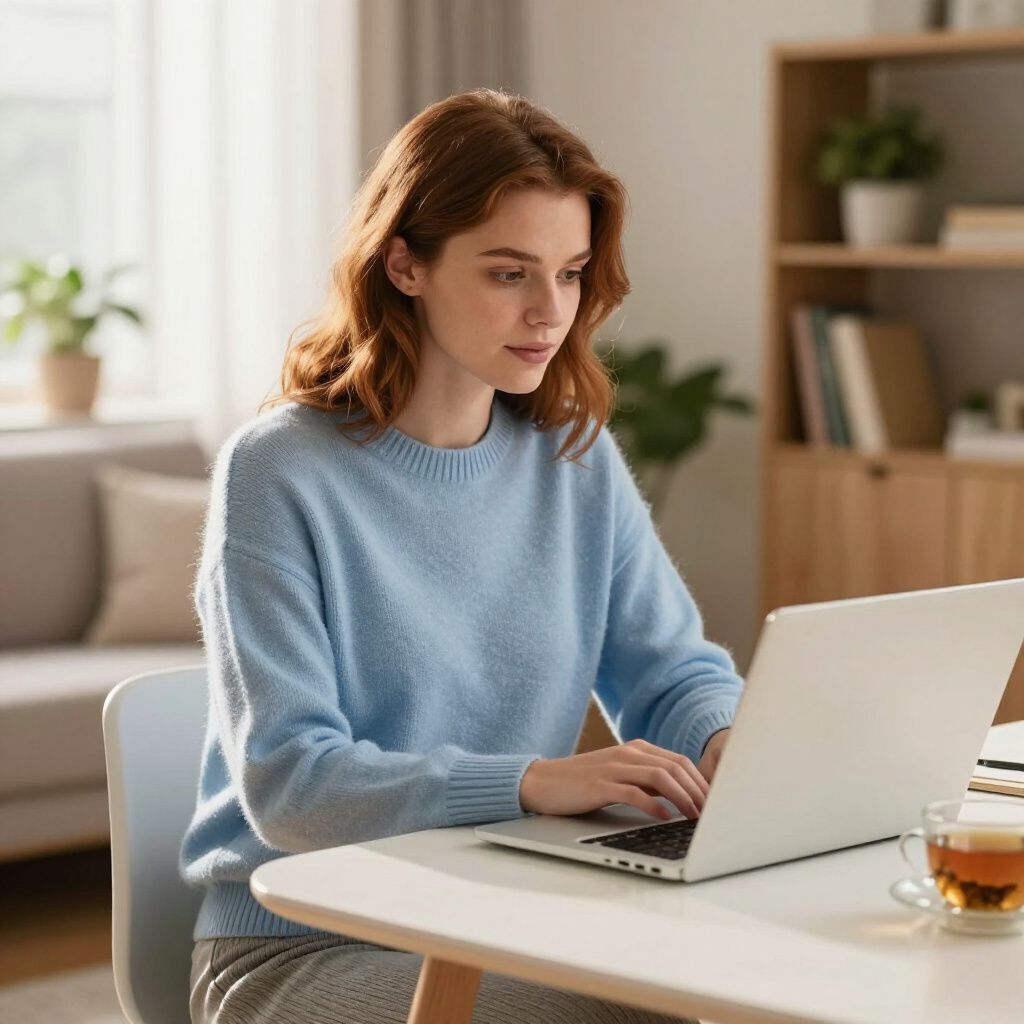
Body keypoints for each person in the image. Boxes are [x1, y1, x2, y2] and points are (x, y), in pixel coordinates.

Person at [182, 87, 744, 1024]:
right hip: (303, 946)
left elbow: (672, 671)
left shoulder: (570, 456)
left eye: (569, 274)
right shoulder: (278, 472)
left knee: (757, 981)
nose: (549, 312)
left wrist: (728, 748)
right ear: (404, 263)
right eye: (508, 273)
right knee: (660, 1010)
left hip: (499, 909)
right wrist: (528, 782)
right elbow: (291, 785)